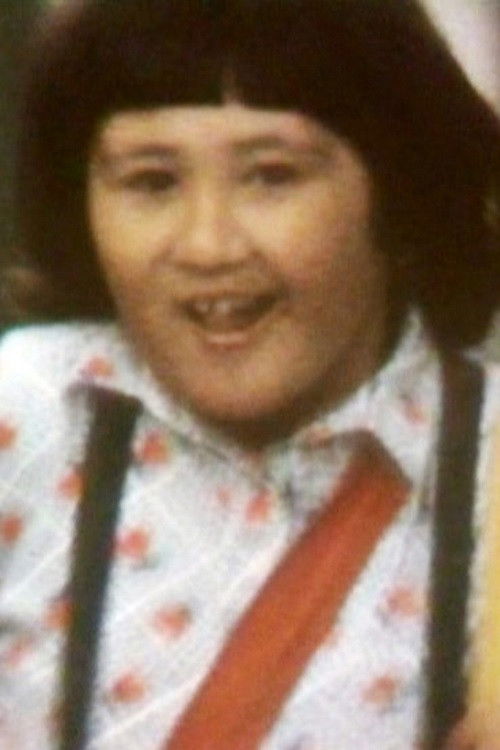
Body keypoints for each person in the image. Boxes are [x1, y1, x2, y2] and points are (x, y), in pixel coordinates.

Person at [0, 0, 499, 747]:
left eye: (271, 175)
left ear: (400, 195)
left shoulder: (490, 458)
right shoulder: (26, 414)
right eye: (152, 182)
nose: (208, 245)